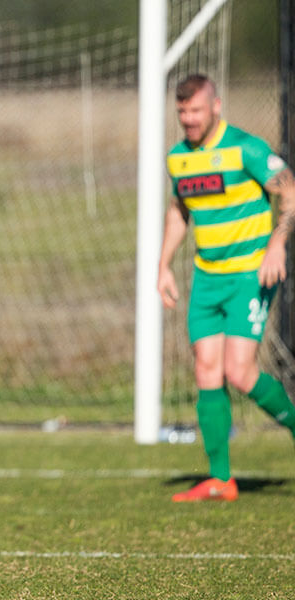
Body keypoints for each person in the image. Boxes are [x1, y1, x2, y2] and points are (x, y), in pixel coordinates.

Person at [158, 74, 295, 502]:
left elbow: (289, 189)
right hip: (206, 279)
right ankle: (221, 479)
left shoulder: (245, 148)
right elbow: (179, 211)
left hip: (249, 277)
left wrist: (277, 242)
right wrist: (162, 265)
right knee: (206, 371)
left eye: (196, 110)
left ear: (216, 106)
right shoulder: (179, 158)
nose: (188, 119)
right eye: (182, 112)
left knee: (239, 371)